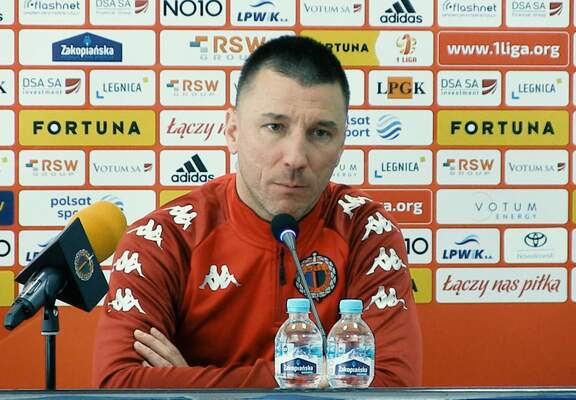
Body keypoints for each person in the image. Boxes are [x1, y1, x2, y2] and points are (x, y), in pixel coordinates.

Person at [92, 35, 422, 388]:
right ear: (233, 131)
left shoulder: (365, 231)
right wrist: (319, 376)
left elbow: (393, 386)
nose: (295, 157)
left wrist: (185, 385)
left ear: (341, 143)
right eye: (274, 127)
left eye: (320, 133)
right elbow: (118, 385)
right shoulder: (164, 238)